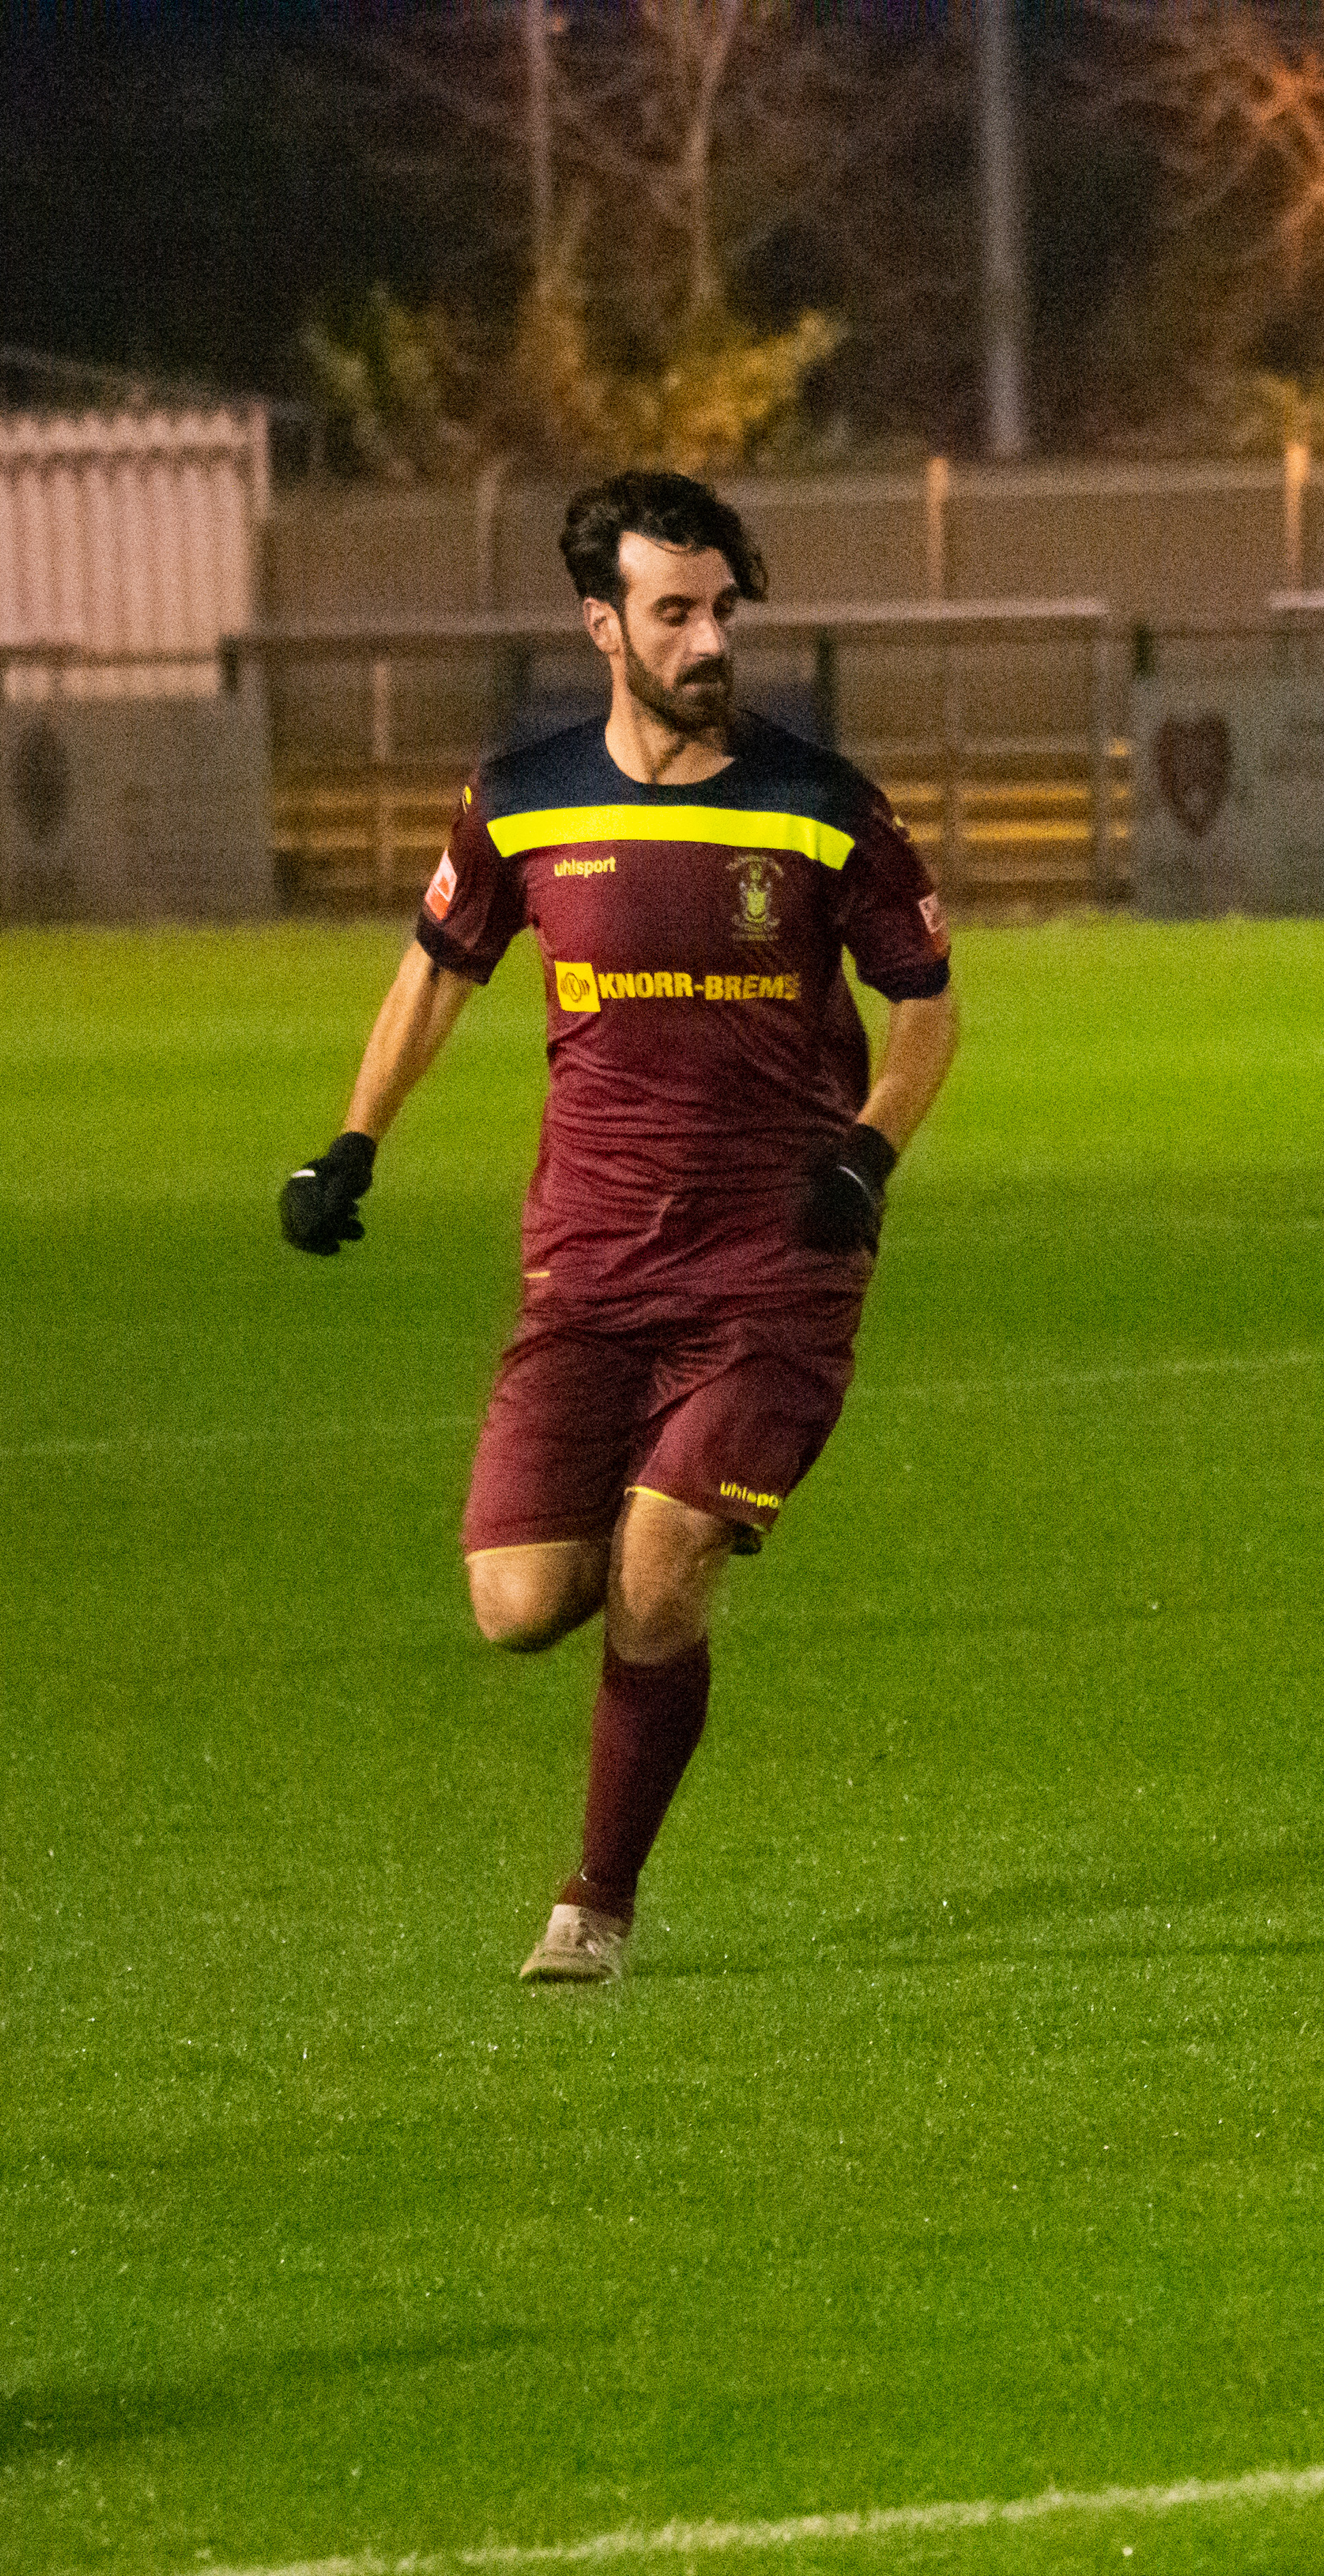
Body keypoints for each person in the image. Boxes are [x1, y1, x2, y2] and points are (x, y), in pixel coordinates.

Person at [276, 469, 962, 1984]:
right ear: (605, 625)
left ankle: (594, 1903)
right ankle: (676, 1544)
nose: (711, 638)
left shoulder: (821, 806)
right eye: (676, 612)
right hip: (586, 1265)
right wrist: (351, 1144)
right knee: (520, 1601)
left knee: (658, 1563)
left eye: (724, 608)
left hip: (775, 1260)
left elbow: (929, 1007)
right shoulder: (523, 796)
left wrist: (866, 1156)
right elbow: (436, 970)